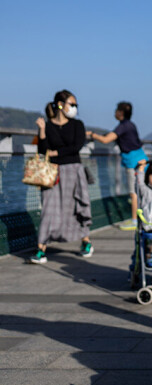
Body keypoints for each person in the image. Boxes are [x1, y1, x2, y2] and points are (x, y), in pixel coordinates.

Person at [30, 90, 93, 264]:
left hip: (74, 170)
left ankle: (85, 241)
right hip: (52, 172)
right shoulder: (48, 125)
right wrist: (42, 130)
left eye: (75, 105)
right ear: (60, 104)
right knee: (49, 209)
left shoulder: (77, 125)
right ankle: (41, 248)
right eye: (71, 104)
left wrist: (56, 152)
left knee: (78, 205)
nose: (74, 108)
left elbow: (77, 146)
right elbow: (43, 150)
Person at [87, 101, 147, 231]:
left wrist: (92, 135)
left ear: (120, 113)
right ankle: (144, 217)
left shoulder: (123, 126)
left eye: (116, 110)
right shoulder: (131, 125)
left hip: (133, 162)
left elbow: (106, 140)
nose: (114, 112)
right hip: (140, 158)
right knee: (141, 190)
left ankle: (135, 221)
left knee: (134, 192)